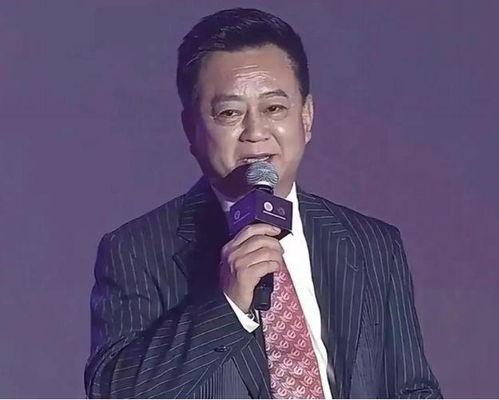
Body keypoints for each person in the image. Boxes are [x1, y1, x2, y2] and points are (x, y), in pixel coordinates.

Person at [85, 8, 441, 399]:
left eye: (274, 108)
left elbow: (413, 390)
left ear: (306, 117)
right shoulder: (136, 250)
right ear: (191, 129)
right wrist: (227, 304)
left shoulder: (373, 245)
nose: (255, 132)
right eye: (230, 113)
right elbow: (112, 391)